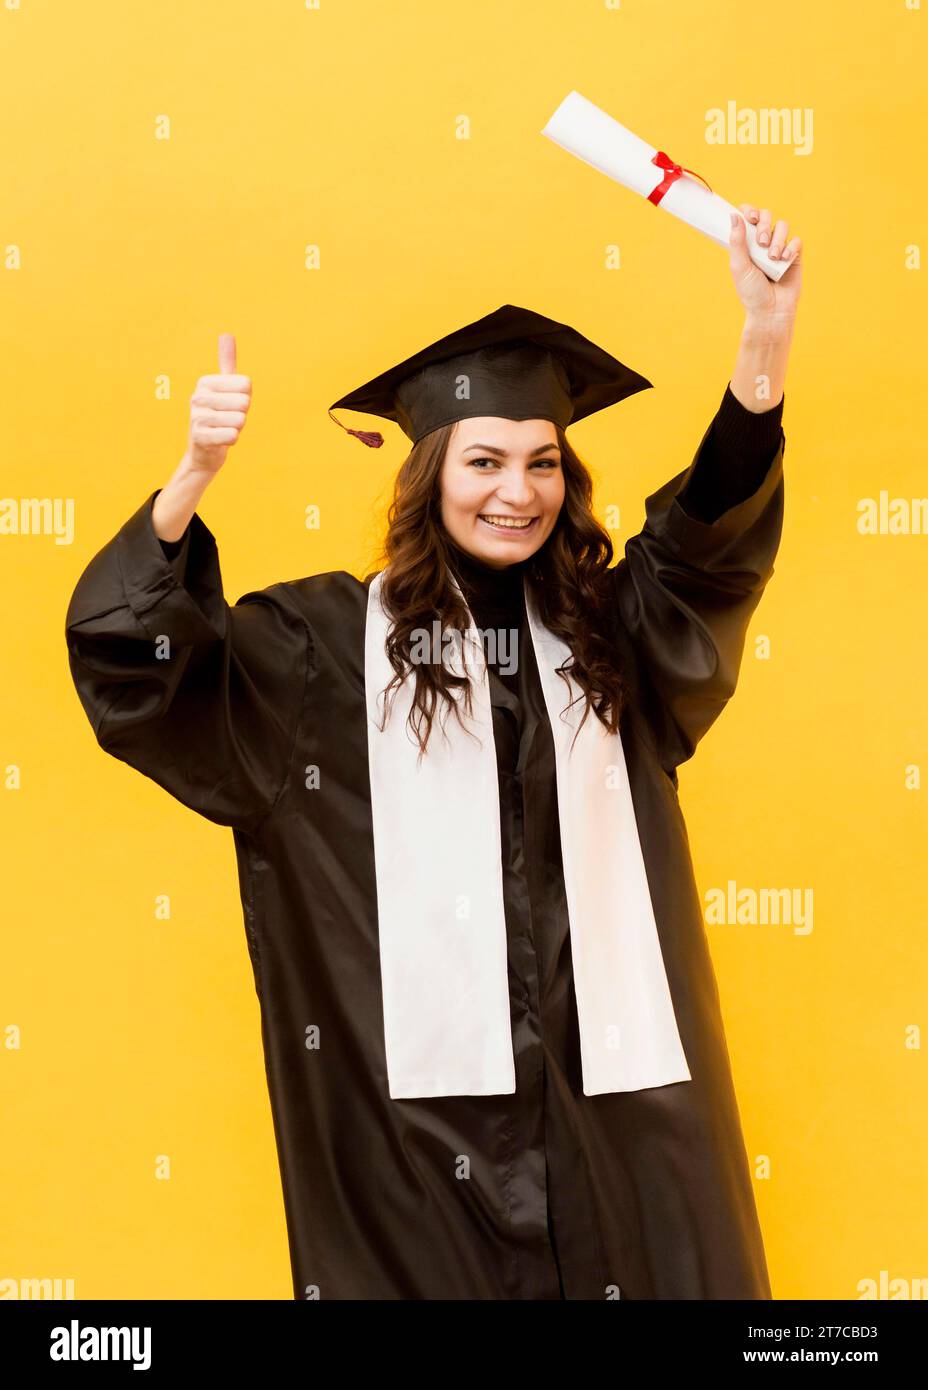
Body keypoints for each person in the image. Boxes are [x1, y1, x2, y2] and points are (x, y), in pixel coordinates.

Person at [65, 205, 801, 1300]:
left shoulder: (613, 633)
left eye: (544, 462)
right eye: (486, 460)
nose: (519, 490)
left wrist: (763, 336)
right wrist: (192, 479)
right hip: (418, 1137)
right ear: (426, 473)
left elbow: (710, 544)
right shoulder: (318, 650)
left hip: (617, 1108)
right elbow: (135, 666)